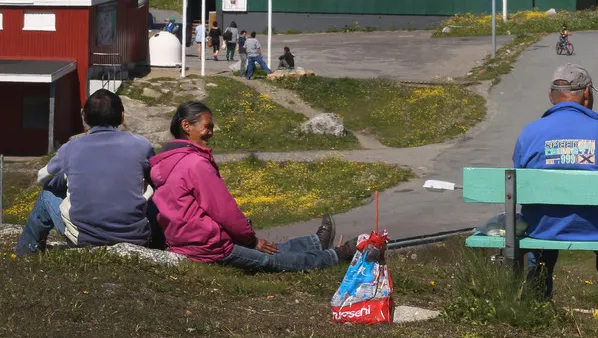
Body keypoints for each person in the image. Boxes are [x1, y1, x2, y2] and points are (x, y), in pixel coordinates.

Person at [149, 101, 357, 271]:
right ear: (187, 126)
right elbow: (224, 211)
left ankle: (314, 243)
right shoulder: (195, 163)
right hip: (206, 245)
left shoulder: (165, 161)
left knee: (269, 250)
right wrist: (250, 239)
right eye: (207, 127)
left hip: (183, 241)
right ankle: (337, 256)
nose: (211, 132)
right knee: (270, 260)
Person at [514, 64, 598, 326]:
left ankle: (536, 308)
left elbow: (518, 180)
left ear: (550, 95)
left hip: (543, 227)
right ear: (587, 94)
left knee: (539, 242)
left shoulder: (529, 134)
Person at [15, 90, 155, 255]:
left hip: (85, 239)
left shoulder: (71, 148)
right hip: (136, 236)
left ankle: (25, 253)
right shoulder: (141, 145)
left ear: (85, 118)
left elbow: (43, 178)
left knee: (47, 195)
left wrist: (63, 180)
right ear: (122, 116)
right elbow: (154, 175)